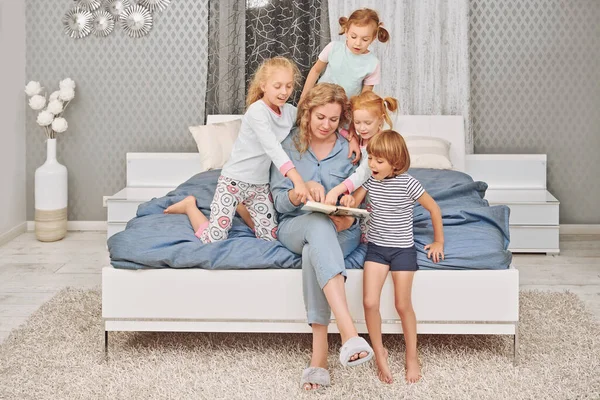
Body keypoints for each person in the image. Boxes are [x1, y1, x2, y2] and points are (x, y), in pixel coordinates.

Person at [270, 83, 374, 391]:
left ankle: (319, 358)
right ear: (307, 113)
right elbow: (278, 202)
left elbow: (363, 188)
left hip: (342, 229)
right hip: (295, 226)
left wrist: (350, 202)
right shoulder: (288, 146)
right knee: (315, 225)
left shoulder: (350, 148)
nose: (326, 125)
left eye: (334, 119)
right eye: (320, 117)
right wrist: (299, 193)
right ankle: (348, 331)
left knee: (312, 252)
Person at [164, 57, 310, 242]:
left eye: (289, 86)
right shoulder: (257, 112)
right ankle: (189, 206)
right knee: (214, 239)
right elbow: (273, 148)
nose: (284, 92)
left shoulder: (289, 112)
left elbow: (311, 121)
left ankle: (241, 206)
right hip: (233, 181)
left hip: (259, 186)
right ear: (264, 86)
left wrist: (352, 137)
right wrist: (297, 180)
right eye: (278, 86)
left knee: (271, 238)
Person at [340, 130, 445, 384]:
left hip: (402, 250)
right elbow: (354, 202)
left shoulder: (409, 183)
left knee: (402, 304)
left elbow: (434, 208)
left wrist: (438, 241)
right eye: (371, 158)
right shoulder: (370, 181)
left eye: (379, 161)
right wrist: (347, 200)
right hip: (376, 248)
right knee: (369, 302)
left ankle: (412, 356)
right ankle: (380, 354)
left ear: (395, 164)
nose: (372, 164)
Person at [323, 91, 398, 210]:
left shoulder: (380, 145)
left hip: (381, 197)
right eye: (357, 122)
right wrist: (351, 138)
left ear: (380, 120)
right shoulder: (362, 138)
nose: (362, 128)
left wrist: (336, 191)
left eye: (368, 123)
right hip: (363, 193)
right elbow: (339, 127)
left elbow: (362, 174)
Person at [299, 8, 390, 103]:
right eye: (353, 37)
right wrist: (304, 97)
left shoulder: (373, 63)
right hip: (320, 101)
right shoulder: (333, 48)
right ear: (346, 31)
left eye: (365, 39)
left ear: (373, 38)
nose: (358, 43)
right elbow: (316, 70)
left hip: (346, 108)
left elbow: (364, 97)